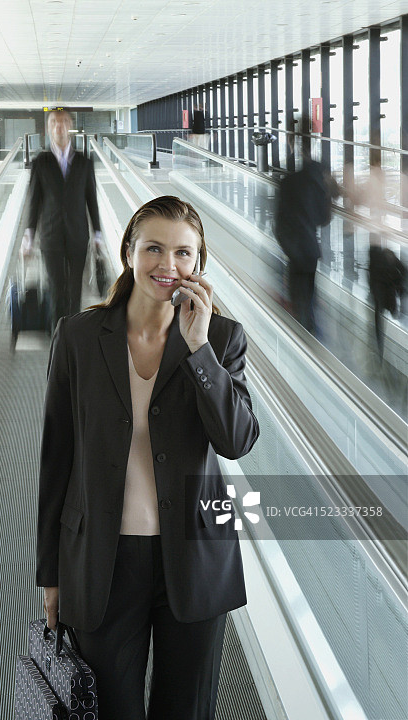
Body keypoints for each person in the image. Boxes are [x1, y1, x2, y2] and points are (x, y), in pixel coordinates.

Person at [37, 195, 259, 720]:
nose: (168, 265)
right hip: (101, 559)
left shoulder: (221, 339)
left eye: (183, 253)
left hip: (196, 558)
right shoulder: (79, 336)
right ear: (128, 253)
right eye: (154, 248)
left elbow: (236, 440)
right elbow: (56, 460)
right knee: (111, 709)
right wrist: (50, 573)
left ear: (198, 264)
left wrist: (199, 350)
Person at [22, 110, 102, 328]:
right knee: (56, 288)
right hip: (51, 236)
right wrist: (29, 236)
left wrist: (98, 234)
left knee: (75, 289)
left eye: (64, 122)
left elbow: (92, 200)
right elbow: (34, 201)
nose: (59, 126)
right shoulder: (41, 162)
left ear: (70, 127)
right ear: (48, 129)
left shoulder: (85, 162)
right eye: (54, 122)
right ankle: (58, 334)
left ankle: (73, 333)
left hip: (78, 235)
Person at [274, 154, 337, 332]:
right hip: (310, 250)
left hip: (293, 249)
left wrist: (286, 244)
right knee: (309, 291)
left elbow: (278, 221)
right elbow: (322, 219)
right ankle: (308, 327)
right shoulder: (318, 187)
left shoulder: (287, 182)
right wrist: (328, 198)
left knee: (296, 290)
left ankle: (298, 328)